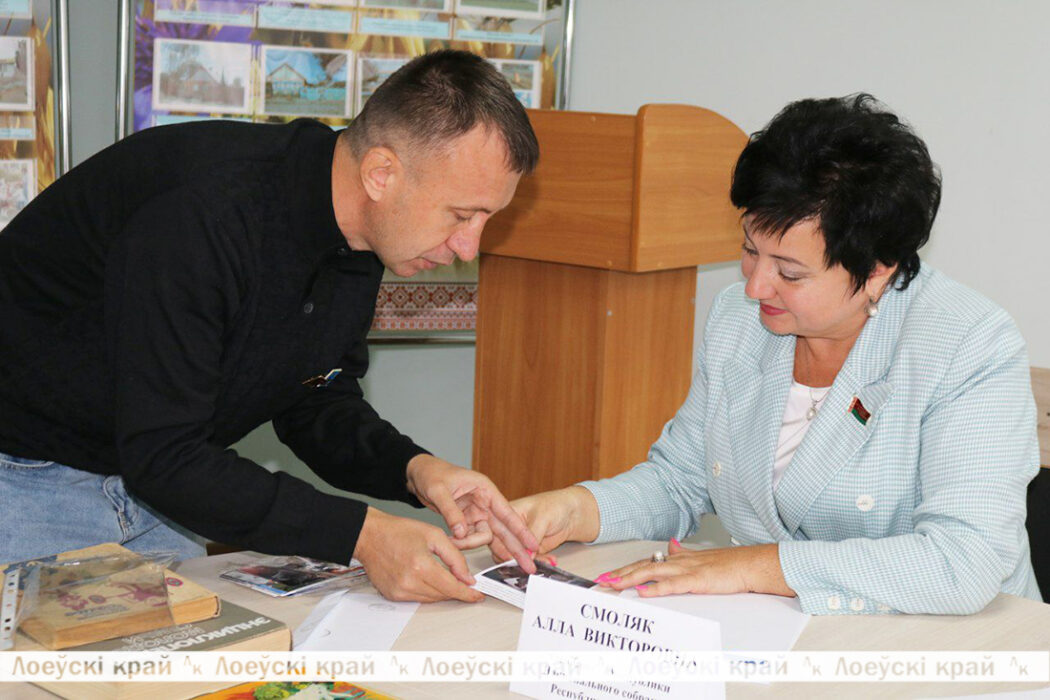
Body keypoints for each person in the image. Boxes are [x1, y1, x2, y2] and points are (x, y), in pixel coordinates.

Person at [0, 50, 540, 603]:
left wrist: (415, 470)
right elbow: (166, 454)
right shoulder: (204, 214)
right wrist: (362, 534)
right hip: (26, 479)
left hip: (155, 492)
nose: (469, 247)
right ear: (381, 174)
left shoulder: (364, 231)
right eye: (461, 214)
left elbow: (314, 395)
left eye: (487, 219)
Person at [492, 94, 1041, 615]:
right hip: (780, 629)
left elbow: (963, 562)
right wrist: (576, 508)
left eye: (790, 273)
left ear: (877, 269)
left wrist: (754, 567)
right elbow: (681, 481)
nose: (755, 286)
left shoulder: (967, 344)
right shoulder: (740, 321)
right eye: (750, 251)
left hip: (942, 645)